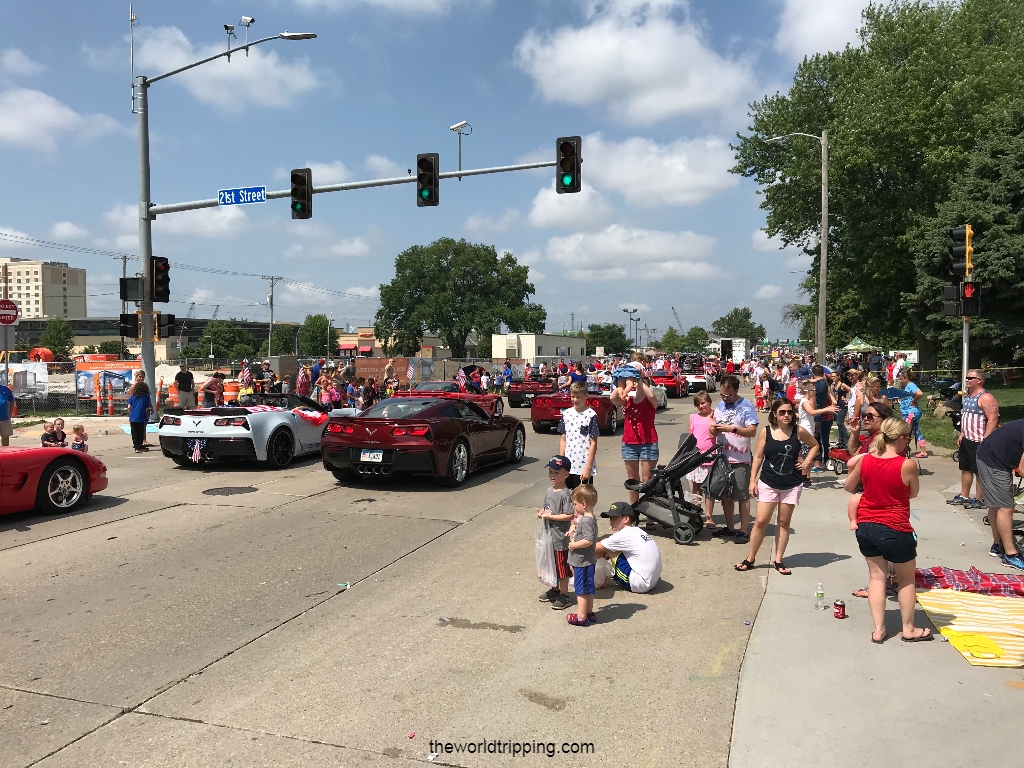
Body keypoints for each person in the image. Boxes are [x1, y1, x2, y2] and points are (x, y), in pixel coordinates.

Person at [844, 417, 933, 642]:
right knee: (906, 579)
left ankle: (879, 629)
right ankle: (909, 628)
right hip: (895, 526)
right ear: (902, 438)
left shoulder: (866, 461)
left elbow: (848, 486)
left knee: (876, 578)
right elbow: (912, 492)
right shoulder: (906, 464)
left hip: (866, 525)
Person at [735, 398, 818, 574]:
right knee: (760, 522)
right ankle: (750, 558)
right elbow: (758, 457)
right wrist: (752, 480)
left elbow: (815, 445)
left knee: (783, 522)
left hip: (792, 484)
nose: (786, 415)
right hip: (768, 482)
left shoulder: (799, 431)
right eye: (782, 412)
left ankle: (779, 560)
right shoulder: (766, 432)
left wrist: (807, 462)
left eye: (789, 412)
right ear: (774, 414)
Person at [708, 375, 759, 544]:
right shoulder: (720, 406)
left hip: (740, 458)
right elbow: (712, 428)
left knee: (742, 495)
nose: (725, 398)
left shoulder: (746, 406)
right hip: (722, 458)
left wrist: (732, 429)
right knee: (726, 495)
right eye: (722, 395)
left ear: (736, 390)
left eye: (728, 395)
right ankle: (730, 527)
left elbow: (752, 431)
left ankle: (743, 530)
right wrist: (713, 429)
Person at [975, 418, 1024, 569]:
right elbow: (1022, 470)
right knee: (1005, 506)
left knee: (997, 504)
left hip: (993, 455)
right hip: (992, 458)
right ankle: (1010, 555)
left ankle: (998, 545)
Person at [610, 365, 659, 505]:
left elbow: (652, 397)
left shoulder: (650, 403)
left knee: (647, 479)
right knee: (633, 480)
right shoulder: (628, 402)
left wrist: (640, 380)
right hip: (629, 444)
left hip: (648, 443)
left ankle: (650, 514)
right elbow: (613, 397)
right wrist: (623, 384)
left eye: (643, 386)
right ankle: (634, 511)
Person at [949, 369, 998, 508]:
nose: (967, 380)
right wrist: (962, 433)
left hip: (979, 440)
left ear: (979, 380)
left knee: (979, 471)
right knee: (966, 468)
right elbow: (966, 417)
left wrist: (986, 438)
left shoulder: (986, 397)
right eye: (966, 378)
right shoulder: (970, 396)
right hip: (967, 439)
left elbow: (993, 418)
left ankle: (979, 499)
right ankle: (964, 496)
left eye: (970, 378)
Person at [595, 501, 663, 593]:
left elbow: (593, 548)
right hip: (652, 582)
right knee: (609, 545)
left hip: (640, 584)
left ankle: (591, 576)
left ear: (626, 519)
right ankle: (596, 573)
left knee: (605, 546)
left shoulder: (624, 534)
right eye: (610, 518)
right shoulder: (638, 531)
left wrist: (575, 545)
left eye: (614, 518)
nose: (610, 521)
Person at [537, 455, 575, 609]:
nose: (552, 475)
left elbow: (570, 515)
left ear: (566, 475)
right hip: (548, 536)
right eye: (551, 472)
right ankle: (555, 589)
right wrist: (542, 513)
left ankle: (565, 596)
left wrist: (551, 516)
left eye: (556, 473)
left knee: (561, 569)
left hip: (560, 539)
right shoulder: (549, 491)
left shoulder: (565, 494)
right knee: (550, 565)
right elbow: (548, 510)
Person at [566, 484, 599, 626]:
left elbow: (588, 540)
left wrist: (573, 545)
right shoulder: (589, 519)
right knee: (588, 588)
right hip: (587, 561)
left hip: (582, 562)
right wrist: (574, 527)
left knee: (581, 590)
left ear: (583, 504)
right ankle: (589, 612)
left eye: (575, 504)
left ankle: (581, 617)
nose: (574, 507)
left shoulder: (586, 521)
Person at [686, 390, 718, 529]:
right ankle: (696, 514)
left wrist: (711, 418)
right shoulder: (693, 417)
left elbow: (715, 433)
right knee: (696, 487)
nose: (701, 406)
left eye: (703, 403)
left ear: (709, 402)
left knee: (709, 489)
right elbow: (690, 436)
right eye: (698, 404)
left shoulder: (715, 416)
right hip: (695, 457)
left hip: (710, 457)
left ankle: (709, 516)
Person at [558, 381, 599, 489]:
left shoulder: (591, 415)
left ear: (586, 396)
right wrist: (561, 462)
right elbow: (563, 439)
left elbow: (593, 443)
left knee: (583, 501)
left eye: (578, 397)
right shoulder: (566, 414)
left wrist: (588, 467)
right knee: (567, 499)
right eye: (573, 396)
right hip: (568, 466)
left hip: (583, 467)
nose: (575, 400)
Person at [896, 369, 927, 459]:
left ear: (906, 378)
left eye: (901, 378)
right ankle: (923, 451)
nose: (900, 380)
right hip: (911, 412)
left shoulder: (910, 385)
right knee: (916, 431)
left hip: (910, 413)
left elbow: (919, 393)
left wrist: (914, 401)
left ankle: (901, 449)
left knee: (904, 431)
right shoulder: (908, 387)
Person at [127, 380, 153, 453]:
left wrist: (130, 413)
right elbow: (147, 407)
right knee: (140, 432)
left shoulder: (133, 396)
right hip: (141, 416)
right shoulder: (146, 397)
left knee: (134, 432)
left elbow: (129, 406)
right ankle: (140, 446)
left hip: (133, 417)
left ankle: (136, 447)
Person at [0, 379, 13, 446]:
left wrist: (10, 412)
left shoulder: (5, 389)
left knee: (5, 436)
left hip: (4, 417)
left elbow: (11, 400)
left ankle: (5, 453)